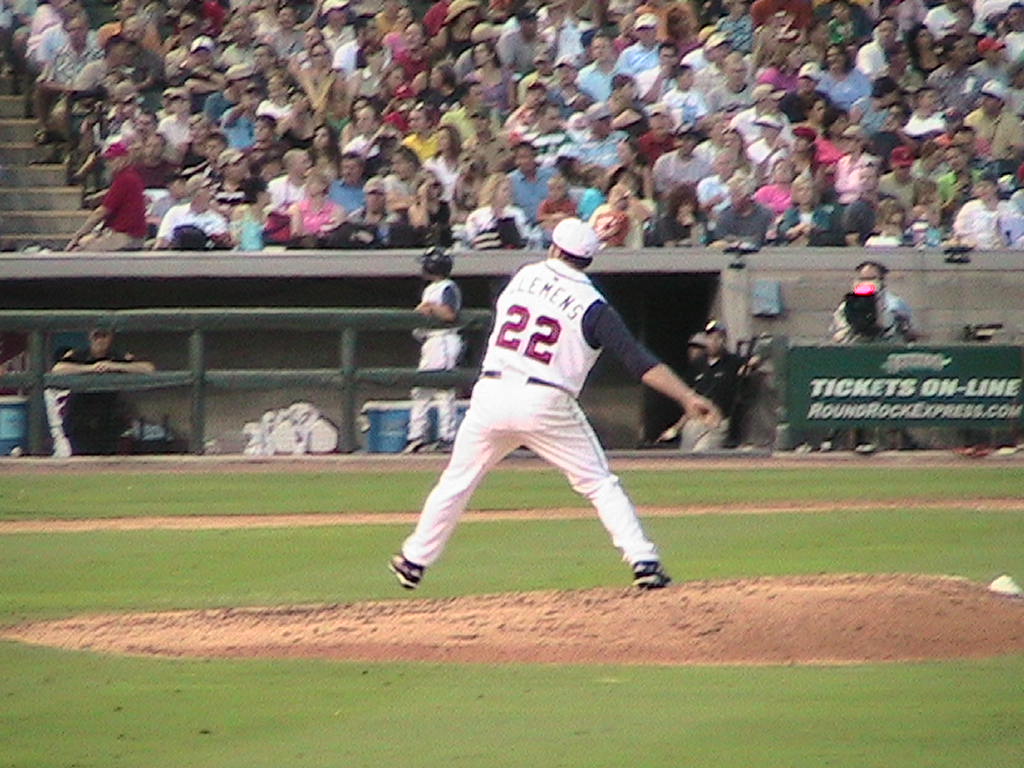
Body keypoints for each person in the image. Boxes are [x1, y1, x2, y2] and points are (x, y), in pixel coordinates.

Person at [389, 217, 719, 591]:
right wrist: (687, 396)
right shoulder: (595, 306)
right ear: (588, 261)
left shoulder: (523, 276)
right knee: (599, 483)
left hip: (493, 392)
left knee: (457, 481)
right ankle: (643, 560)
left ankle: (414, 560)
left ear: (553, 248)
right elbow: (637, 359)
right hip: (545, 399)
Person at [51, 325, 155, 455]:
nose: (100, 340)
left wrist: (114, 366)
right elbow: (58, 369)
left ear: (111, 338)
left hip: (108, 417)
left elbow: (148, 368)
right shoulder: (79, 354)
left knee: (108, 461)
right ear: (90, 337)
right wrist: (90, 368)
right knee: (81, 460)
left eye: (104, 336)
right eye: (96, 336)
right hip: (80, 417)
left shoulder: (117, 355)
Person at [403, 248, 464, 454]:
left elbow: (449, 314)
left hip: (443, 340)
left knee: (442, 390)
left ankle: (447, 437)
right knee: (421, 390)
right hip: (430, 342)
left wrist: (431, 307)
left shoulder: (448, 287)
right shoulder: (431, 288)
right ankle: (417, 436)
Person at [658, 320, 742, 452]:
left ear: (724, 340)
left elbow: (752, 363)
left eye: (718, 338)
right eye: (710, 337)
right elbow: (690, 395)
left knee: (702, 455)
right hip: (694, 421)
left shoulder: (733, 362)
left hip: (717, 421)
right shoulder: (698, 364)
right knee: (685, 456)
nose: (713, 341)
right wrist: (676, 428)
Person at [66, 141, 146, 251]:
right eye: (108, 160)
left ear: (124, 158)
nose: (109, 163)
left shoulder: (126, 178)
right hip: (123, 233)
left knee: (80, 253)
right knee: (84, 243)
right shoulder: (127, 176)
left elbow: (101, 212)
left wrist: (79, 233)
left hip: (127, 236)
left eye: (113, 159)